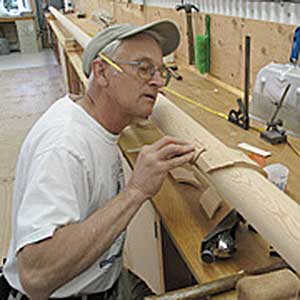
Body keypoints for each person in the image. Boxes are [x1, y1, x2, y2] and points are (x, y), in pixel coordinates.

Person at [1, 20, 195, 300]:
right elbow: (35, 276)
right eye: (143, 69)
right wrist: (135, 192)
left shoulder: (98, 121)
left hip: (104, 280)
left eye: (160, 71)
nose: (157, 82)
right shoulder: (64, 145)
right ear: (102, 72)